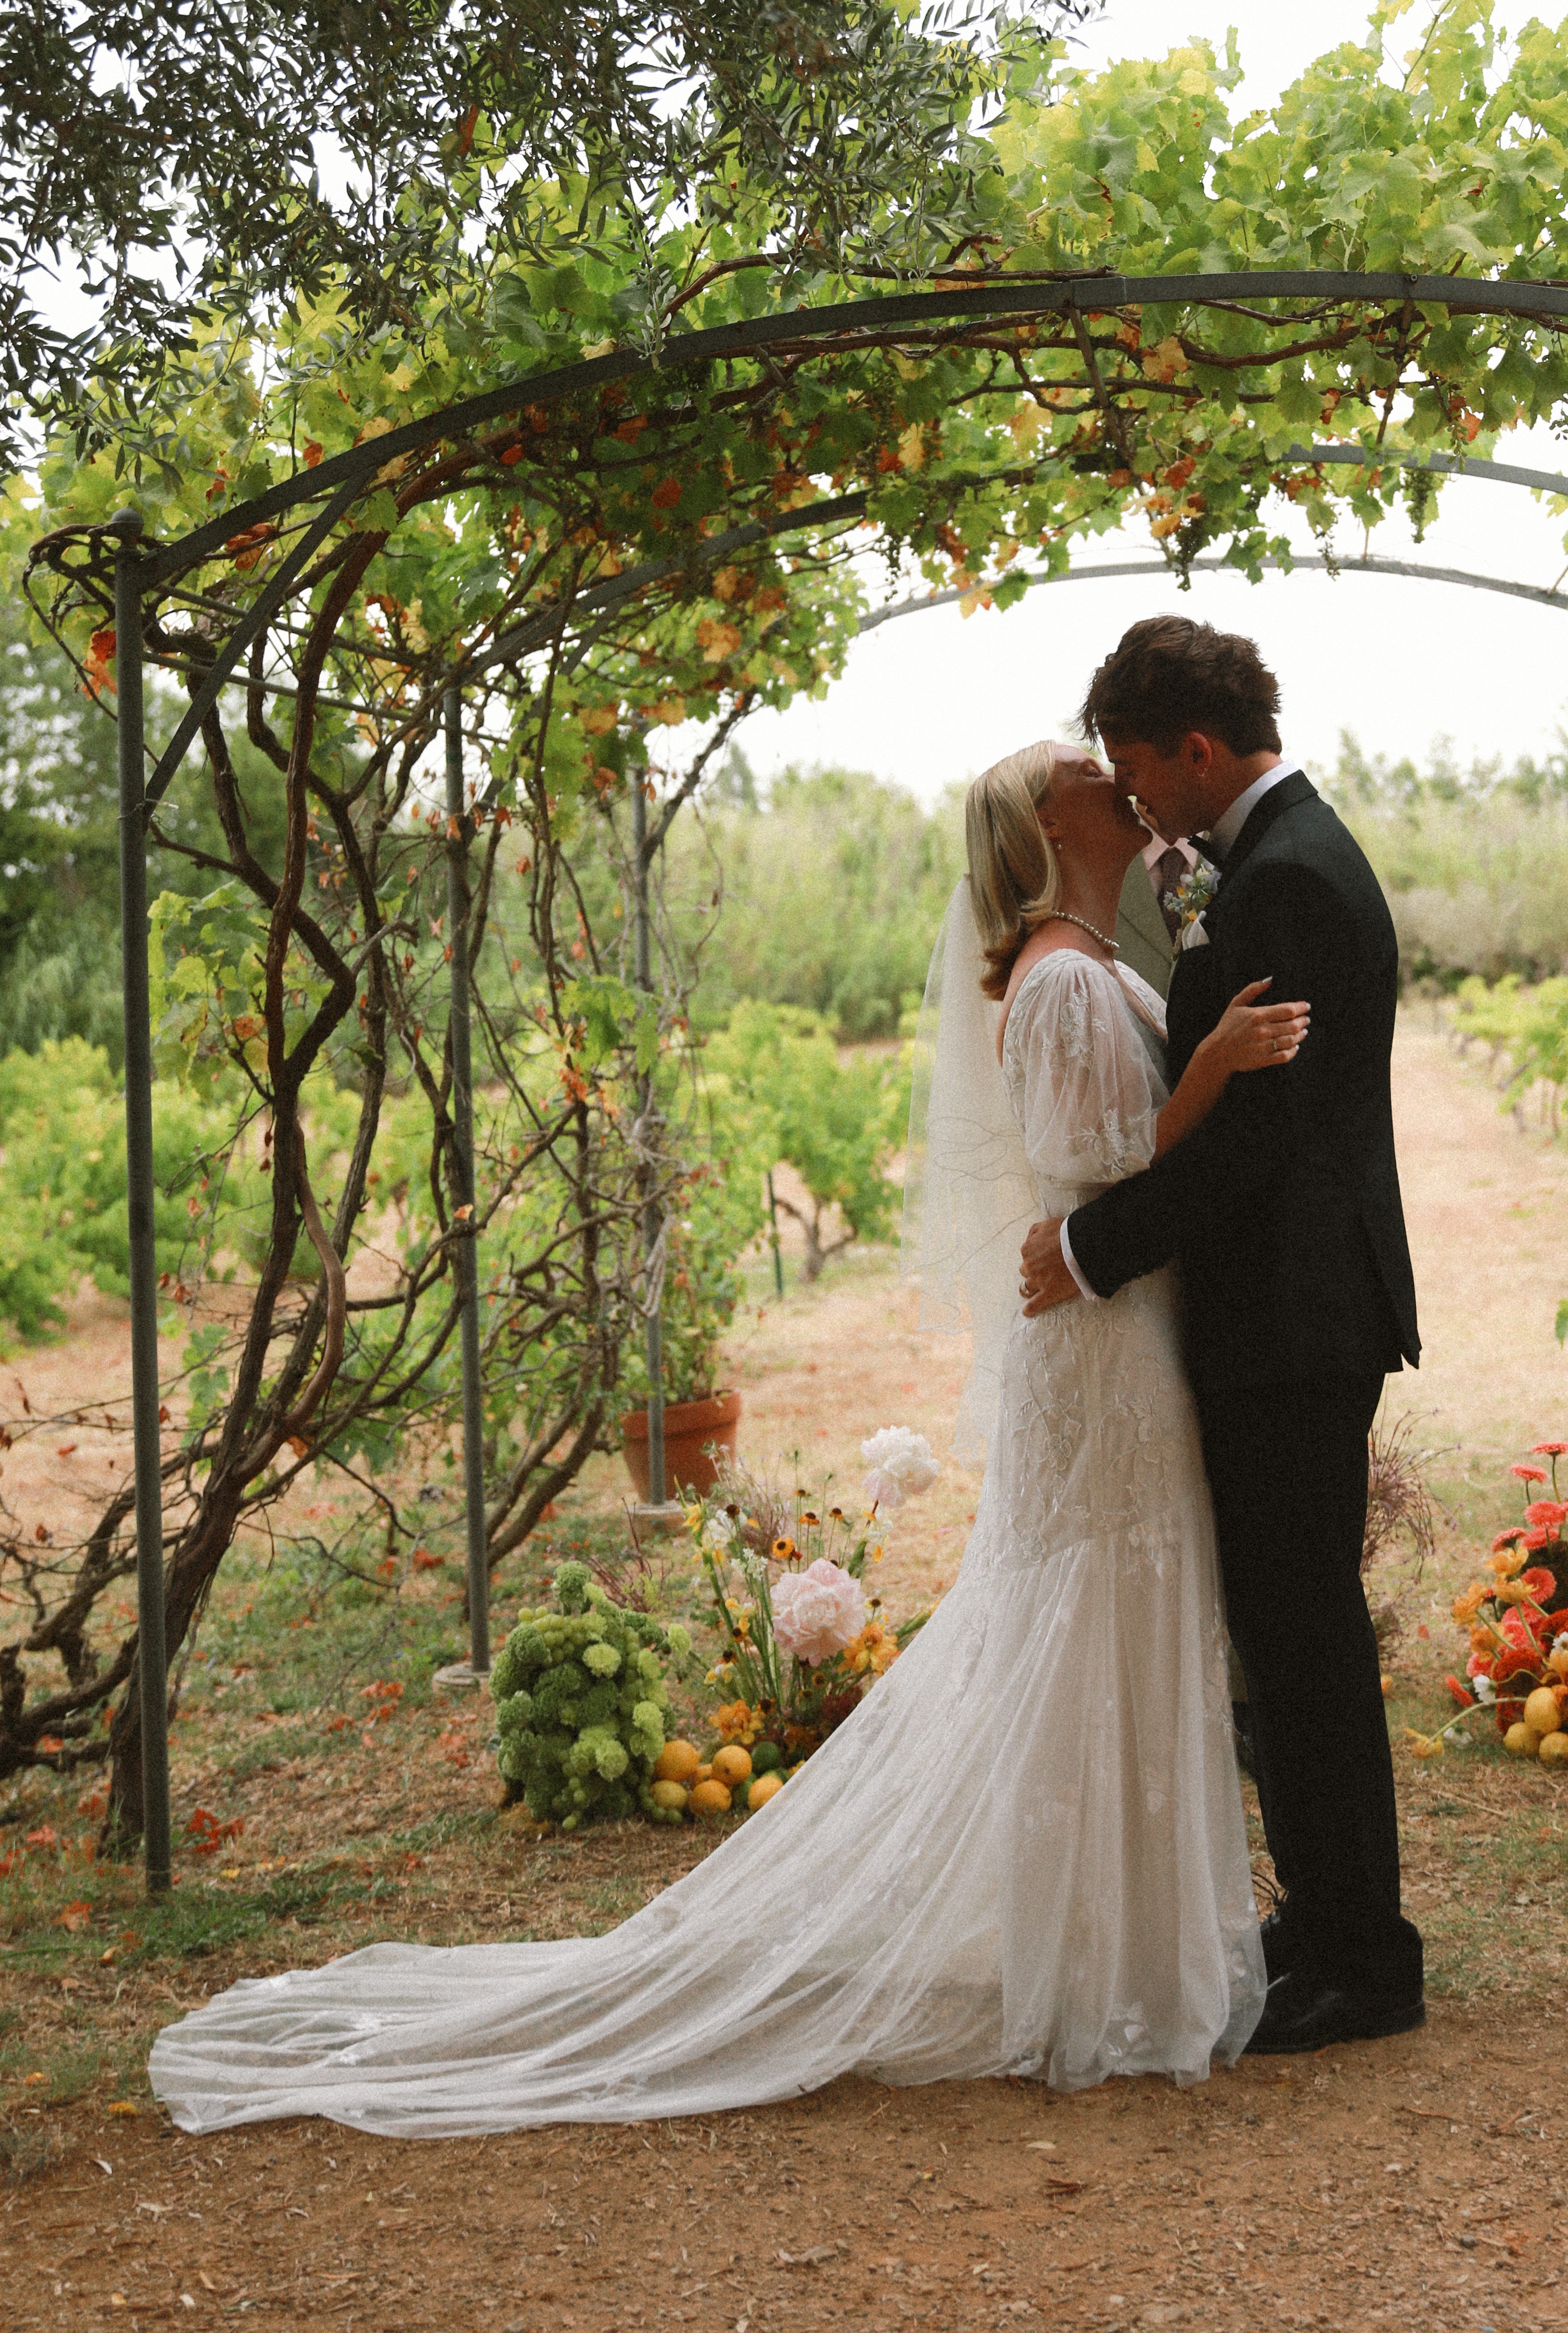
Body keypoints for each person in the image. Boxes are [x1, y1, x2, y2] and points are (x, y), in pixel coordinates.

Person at [148, 736, 1307, 2136]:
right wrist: (1226, 1064)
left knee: (1114, 1608)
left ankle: (1112, 1950)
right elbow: (1108, 1166)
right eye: (1076, 762)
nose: (1102, 764)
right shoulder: (1062, 979)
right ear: (1040, 820)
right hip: (1104, 1355)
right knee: (1092, 1607)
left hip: (1127, 1336)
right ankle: (1101, 1970)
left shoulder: (1096, 960)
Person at [1019, 615, 1426, 2053]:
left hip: (1296, 1319)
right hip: (1290, 1313)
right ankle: (1325, 1920)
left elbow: (1260, 1139)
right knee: (1291, 1631)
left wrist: (1091, 1245)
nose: (1133, 798)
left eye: (1139, 766)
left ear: (1199, 748)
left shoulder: (1292, 881)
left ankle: (1365, 1960)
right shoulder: (1278, 862)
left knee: (1304, 1639)